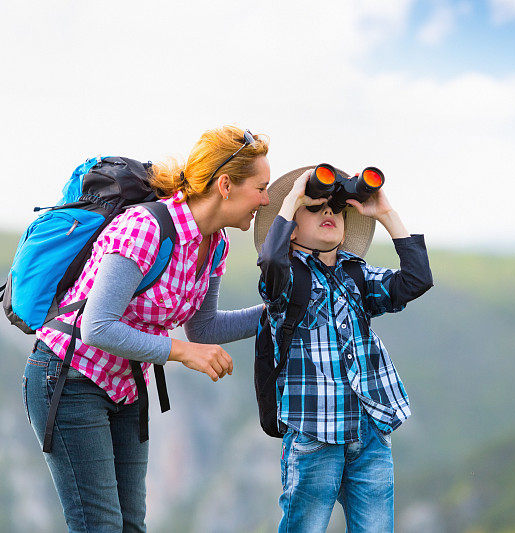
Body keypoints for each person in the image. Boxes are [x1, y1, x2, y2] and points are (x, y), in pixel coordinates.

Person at [23, 126, 269, 532]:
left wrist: (283, 311)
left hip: (125, 384)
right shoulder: (146, 228)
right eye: (260, 187)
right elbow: (97, 327)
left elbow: (203, 329)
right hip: (69, 378)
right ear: (225, 184)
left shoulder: (217, 244)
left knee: (132, 525)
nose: (265, 199)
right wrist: (181, 352)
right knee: (100, 526)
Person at [254, 166, 434, 532]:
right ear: (289, 231)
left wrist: (385, 213)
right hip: (313, 430)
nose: (329, 213)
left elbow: (416, 280)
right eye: (315, 207)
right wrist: (292, 200)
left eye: (337, 208)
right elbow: (271, 260)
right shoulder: (285, 280)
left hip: (368, 430)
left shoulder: (357, 275)